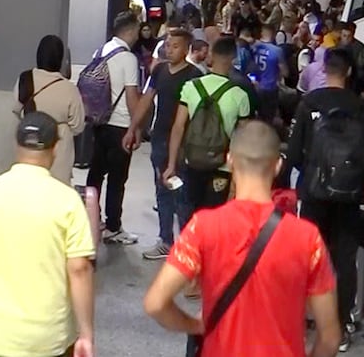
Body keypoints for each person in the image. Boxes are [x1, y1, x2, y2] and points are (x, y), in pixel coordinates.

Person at [143, 120, 340, 357]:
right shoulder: (308, 238)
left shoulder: (203, 226)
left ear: (229, 160)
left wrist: (195, 325)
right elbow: (329, 337)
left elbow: (155, 303)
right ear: (278, 166)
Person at [0, 112, 96, 357]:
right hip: (45, 337)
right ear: (55, 147)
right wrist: (86, 333)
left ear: (16, 144)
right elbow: (79, 269)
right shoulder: (67, 200)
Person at [286, 49, 364, 349]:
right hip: (348, 198)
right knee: (344, 260)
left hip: (314, 194)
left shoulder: (310, 102)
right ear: (349, 72)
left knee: (307, 259)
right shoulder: (360, 108)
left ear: (324, 70)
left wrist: (310, 174)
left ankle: (297, 321)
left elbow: (295, 152)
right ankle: (338, 329)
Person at [124, 28, 201, 260]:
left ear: (186, 49)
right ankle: (165, 239)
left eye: (175, 46)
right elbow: (147, 99)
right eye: (167, 45)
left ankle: (188, 246)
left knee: (182, 193)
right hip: (159, 138)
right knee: (161, 188)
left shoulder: (194, 76)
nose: (169, 49)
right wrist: (133, 127)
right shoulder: (158, 71)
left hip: (184, 142)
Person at [164, 36, 253, 226]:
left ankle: (190, 251)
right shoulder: (240, 95)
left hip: (192, 161)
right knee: (215, 219)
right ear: (233, 59)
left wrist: (171, 164)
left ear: (211, 56)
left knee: (191, 213)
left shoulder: (191, 86)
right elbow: (242, 139)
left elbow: (178, 127)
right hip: (222, 167)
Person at [87, 12, 144, 245]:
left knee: (96, 173)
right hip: (120, 125)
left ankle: (92, 217)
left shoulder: (100, 51)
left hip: (100, 122)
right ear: (130, 31)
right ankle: (113, 226)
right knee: (118, 178)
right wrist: (136, 127)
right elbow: (132, 96)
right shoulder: (128, 58)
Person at [13, 35, 85, 184]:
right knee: (56, 188)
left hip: (30, 139)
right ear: (60, 59)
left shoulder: (25, 79)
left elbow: (16, 108)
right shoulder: (69, 88)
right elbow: (78, 126)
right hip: (59, 144)